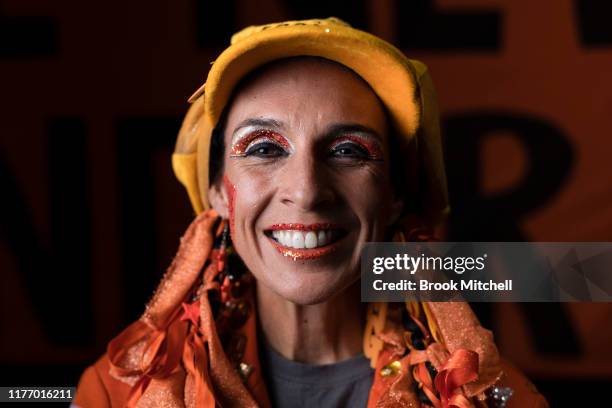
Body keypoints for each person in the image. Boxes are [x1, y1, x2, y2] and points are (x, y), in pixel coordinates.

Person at [73, 18, 548, 407]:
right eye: (262, 148)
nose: (306, 191)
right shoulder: (116, 394)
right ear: (218, 189)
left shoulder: (495, 399)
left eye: (348, 151)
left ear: (394, 196)